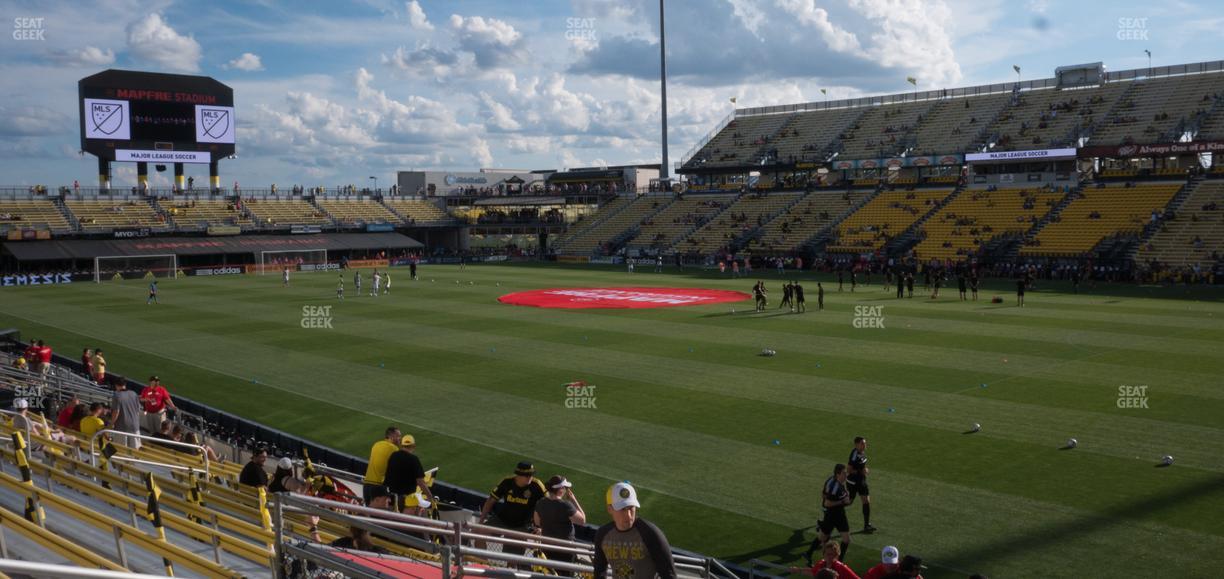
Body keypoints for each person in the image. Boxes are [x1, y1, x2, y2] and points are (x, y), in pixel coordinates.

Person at [592, 482, 675, 579]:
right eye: (622, 509)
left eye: (631, 508)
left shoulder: (650, 533)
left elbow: (669, 575)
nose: (628, 515)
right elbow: (599, 571)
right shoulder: (602, 534)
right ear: (610, 509)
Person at [479, 461, 548, 555]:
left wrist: (540, 527)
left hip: (522, 525)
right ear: (518, 475)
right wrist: (481, 521)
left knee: (512, 557)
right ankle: (483, 563)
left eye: (531, 474)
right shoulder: (507, 482)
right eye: (526, 475)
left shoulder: (537, 485)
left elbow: (548, 506)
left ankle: (510, 567)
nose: (530, 477)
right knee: (479, 534)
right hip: (502, 519)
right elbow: (491, 500)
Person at [534, 475, 587, 564]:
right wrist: (574, 500)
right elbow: (582, 520)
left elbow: (537, 522)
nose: (566, 490)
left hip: (547, 546)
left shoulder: (540, 503)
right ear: (560, 490)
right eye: (565, 487)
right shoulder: (566, 505)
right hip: (565, 549)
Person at [807, 464, 852, 565]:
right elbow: (827, 503)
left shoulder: (839, 483)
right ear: (838, 474)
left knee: (846, 540)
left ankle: (839, 562)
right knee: (823, 538)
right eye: (844, 473)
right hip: (832, 515)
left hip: (840, 515)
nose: (846, 475)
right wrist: (842, 502)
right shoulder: (835, 486)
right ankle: (808, 553)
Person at [385, 434, 435, 515]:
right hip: (406, 500)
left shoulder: (393, 455)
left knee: (392, 520)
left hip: (390, 497)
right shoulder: (414, 460)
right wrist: (430, 497)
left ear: (402, 445)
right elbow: (420, 482)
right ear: (413, 446)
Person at [362, 426, 401, 505]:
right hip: (378, 488)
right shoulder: (394, 449)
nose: (400, 438)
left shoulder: (376, 444)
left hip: (366, 486)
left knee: (368, 514)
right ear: (391, 436)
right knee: (381, 515)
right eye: (398, 436)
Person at [848, 437, 875, 534]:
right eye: (862, 444)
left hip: (862, 481)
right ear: (856, 445)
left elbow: (861, 465)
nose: (864, 445)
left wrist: (864, 470)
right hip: (853, 482)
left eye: (865, 443)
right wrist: (861, 471)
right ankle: (828, 511)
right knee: (849, 501)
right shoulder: (854, 455)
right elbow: (849, 470)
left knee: (866, 502)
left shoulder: (862, 452)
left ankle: (866, 525)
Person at [794, 541, 860, 579]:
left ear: (836, 555)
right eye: (826, 554)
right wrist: (799, 570)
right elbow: (813, 571)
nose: (828, 556)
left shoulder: (841, 568)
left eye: (831, 554)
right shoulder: (821, 563)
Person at [109, 378, 142, 449]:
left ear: (116, 385)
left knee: (121, 450)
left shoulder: (117, 395)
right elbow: (138, 411)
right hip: (134, 426)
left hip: (122, 428)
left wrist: (111, 424)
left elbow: (116, 412)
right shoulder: (134, 393)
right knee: (135, 450)